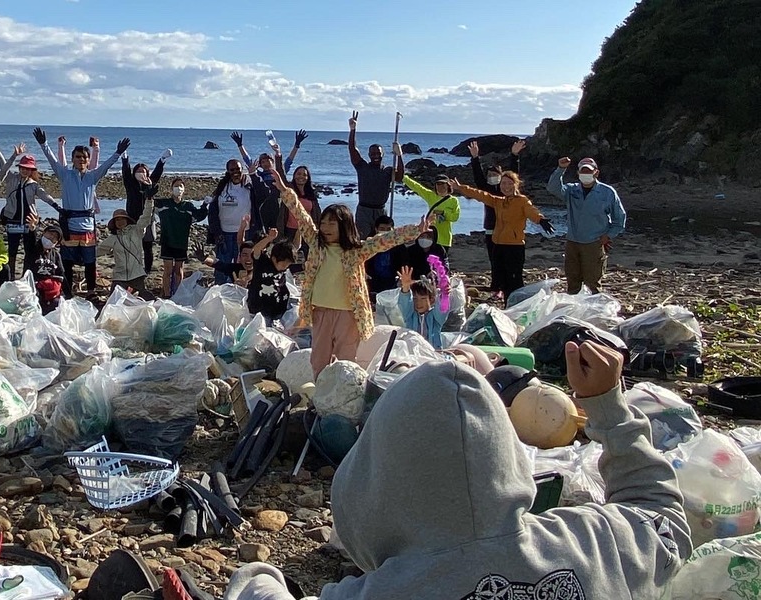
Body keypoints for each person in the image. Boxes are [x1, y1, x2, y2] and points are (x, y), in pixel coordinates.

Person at [223, 341, 691, 599]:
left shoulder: (379, 594)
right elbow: (661, 516)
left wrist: (258, 578)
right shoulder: (591, 544)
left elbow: (258, 594)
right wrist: (606, 407)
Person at [274, 168, 429, 378]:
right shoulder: (317, 244)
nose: (325, 227)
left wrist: (416, 230)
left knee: (346, 361)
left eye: (332, 223)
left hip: (348, 313)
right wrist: (286, 191)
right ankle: (321, 396)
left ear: (344, 226)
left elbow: (386, 240)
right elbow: (302, 216)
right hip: (320, 311)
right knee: (319, 360)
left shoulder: (357, 251)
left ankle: (343, 396)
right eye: (324, 222)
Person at [34, 128, 128, 298]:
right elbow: (53, 160)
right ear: (72, 159)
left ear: (88, 159)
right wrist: (43, 144)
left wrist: (118, 153)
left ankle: (91, 292)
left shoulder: (93, 176)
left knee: (90, 263)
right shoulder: (65, 174)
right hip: (69, 226)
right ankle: (68, 293)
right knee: (67, 263)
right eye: (78, 157)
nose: (81, 159)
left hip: (87, 228)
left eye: (84, 157)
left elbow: (107, 165)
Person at [451, 175, 554, 303]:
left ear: (515, 185)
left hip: (514, 247)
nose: (506, 187)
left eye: (509, 183)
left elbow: (531, 211)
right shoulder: (498, 201)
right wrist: (461, 188)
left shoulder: (522, 201)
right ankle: (508, 305)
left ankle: (517, 306)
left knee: (514, 280)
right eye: (503, 184)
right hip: (498, 246)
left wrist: (540, 219)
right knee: (502, 280)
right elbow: (481, 195)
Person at [547, 156, 627, 294]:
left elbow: (619, 219)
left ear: (596, 172)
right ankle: (574, 310)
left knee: (593, 282)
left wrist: (608, 236)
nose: (586, 174)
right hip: (572, 242)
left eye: (589, 171)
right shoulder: (572, 190)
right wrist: (561, 169)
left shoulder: (607, 192)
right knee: (573, 281)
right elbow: (553, 188)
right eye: (583, 171)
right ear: (578, 173)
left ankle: (593, 311)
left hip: (593, 243)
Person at [470, 139, 525, 298]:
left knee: (508, 261)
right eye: (490, 174)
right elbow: (478, 178)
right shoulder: (487, 190)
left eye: (495, 174)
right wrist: (475, 158)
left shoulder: (506, 191)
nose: (492, 177)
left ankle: (509, 287)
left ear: (501, 177)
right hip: (491, 230)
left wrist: (514, 155)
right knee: (494, 261)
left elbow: (515, 174)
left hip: (507, 232)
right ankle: (497, 287)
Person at [206, 159, 268, 284]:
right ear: (228, 171)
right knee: (223, 267)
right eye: (232, 170)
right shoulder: (222, 188)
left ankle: (244, 291)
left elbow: (265, 193)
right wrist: (216, 232)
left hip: (246, 234)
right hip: (224, 235)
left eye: (238, 169)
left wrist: (253, 174)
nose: (235, 172)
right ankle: (220, 291)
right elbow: (212, 212)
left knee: (245, 266)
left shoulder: (249, 185)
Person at [0, 153, 57, 280]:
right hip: (12, 220)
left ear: (32, 170)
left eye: (28, 168)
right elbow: (4, 164)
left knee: (29, 251)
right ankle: (11, 276)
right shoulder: (11, 178)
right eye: (22, 167)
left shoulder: (33, 185)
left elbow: (45, 196)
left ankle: (26, 276)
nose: (24, 170)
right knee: (12, 251)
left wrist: (57, 207)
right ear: (19, 168)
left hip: (29, 222)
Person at [348, 111, 405, 239]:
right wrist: (352, 130)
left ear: (383, 155)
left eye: (378, 154)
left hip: (381, 210)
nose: (375, 156)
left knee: (382, 241)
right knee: (362, 241)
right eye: (373, 154)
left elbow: (400, 177)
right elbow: (352, 149)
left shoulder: (388, 171)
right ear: (369, 155)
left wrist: (399, 155)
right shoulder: (362, 167)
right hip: (364, 210)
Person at [156, 178, 207, 298]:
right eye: (176, 186)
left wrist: (205, 205)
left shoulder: (188, 206)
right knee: (168, 270)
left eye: (180, 186)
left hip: (181, 242)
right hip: (167, 241)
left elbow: (199, 216)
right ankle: (167, 294)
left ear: (184, 190)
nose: (178, 188)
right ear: (171, 189)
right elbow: (148, 202)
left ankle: (178, 294)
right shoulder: (163, 204)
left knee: (178, 271)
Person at [123, 149, 171, 275]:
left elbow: (157, 173)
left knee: (148, 246)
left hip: (148, 219)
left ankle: (148, 270)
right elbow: (126, 172)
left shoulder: (150, 183)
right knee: (133, 246)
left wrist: (162, 160)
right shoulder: (130, 184)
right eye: (138, 171)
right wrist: (125, 158)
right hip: (132, 219)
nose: (141, 173)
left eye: (143, 171)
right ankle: (134, 268)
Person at [98, 200, 155, 301]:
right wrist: (82, 257)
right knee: (113, 301)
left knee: (145, 300)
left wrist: (149, 200)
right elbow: (99, 250)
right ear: (114, 223)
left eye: (122, 219)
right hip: (120, 276)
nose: (120, 222)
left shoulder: (136, 230)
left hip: (137, 274)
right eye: (117, 220)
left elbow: (146, 217)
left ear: (127, 220)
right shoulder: (113, 238)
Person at [401, 173, 460, 265]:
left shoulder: (453, 201)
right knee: (427, 263)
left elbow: (455, 217)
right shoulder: (431, 196)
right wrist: (403, 177)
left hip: (444, 238)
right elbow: (418, 188)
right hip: (430, 237)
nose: (440, 187)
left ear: (448, 185)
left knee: (441, 264)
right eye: (438, 184)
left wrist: (443, 213)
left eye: (443, 184)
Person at [246, 228, 295, 323]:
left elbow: (296, 247)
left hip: (278, 310)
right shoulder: (263, 262)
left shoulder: (283, 270)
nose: (285, 267)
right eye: (283, 264)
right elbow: (256, 250)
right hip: (259, 310)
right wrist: (269, 238)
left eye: (287, 265)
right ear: (274, 258)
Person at [21, 214, 65, 314]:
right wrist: (32, 229)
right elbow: (29, 240)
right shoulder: (33, 249)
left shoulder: (56, 255)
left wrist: (68, 296)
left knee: (58, 306)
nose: (51, 238)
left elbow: (61, 274)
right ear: (44, 233)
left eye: (55, 237)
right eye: (50, 234)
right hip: (32, 288)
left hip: (49, 290)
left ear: (57, 242)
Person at [398, 265, 446, 349]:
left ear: (431, 300)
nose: (418, 302)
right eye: (415, 298)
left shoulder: (436, 318)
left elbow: (442, 309)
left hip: (433, 355)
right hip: (413, 354)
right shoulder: (410, 315)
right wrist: (405, 287)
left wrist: (444, 294)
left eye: (423, 298)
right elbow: (404, 303)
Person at [364, 215, 407, 301]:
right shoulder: (369, 244)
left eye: (388, 229)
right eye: (382, 228)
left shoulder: (399, 246)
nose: (385, 232)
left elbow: (404, 263)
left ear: (393, 230)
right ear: (376, 229)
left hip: (392, 282)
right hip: (373, 282)